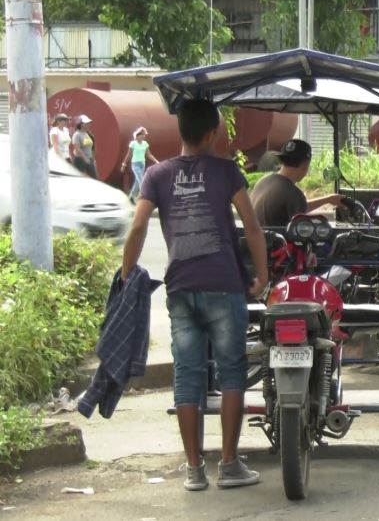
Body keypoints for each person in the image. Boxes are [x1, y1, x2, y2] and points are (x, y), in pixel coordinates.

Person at [120, 98, 268, 491]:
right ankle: (230, 464)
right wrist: (263, 276)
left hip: (181, 288)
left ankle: (194, 470)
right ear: (211, 133)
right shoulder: (227, 172)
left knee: (187, 375)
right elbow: (251, 227)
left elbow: (137, 228)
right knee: (232, 370)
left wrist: (125, 271)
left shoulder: (157, 174)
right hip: (224, 286)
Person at [250, 139, 343, 228]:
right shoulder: (292, 193)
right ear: (305, 165)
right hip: (278, 243)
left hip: (255, 241)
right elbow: (302, 223)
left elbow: (300, 206)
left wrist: (328, 199)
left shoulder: (264, 181)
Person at [121, 127, 159, 204]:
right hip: (135, 164)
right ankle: (146, 199)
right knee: (142, 181)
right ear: (138, 135)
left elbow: (149, 154)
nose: (144, 136)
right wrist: (124, 164)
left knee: (137, 183)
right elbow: (128, 154)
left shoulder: (145, 144)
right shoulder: (133, 143)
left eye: (144, 135)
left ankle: (131, 197)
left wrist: (156, 161)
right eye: (142, 135)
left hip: (142, 164)